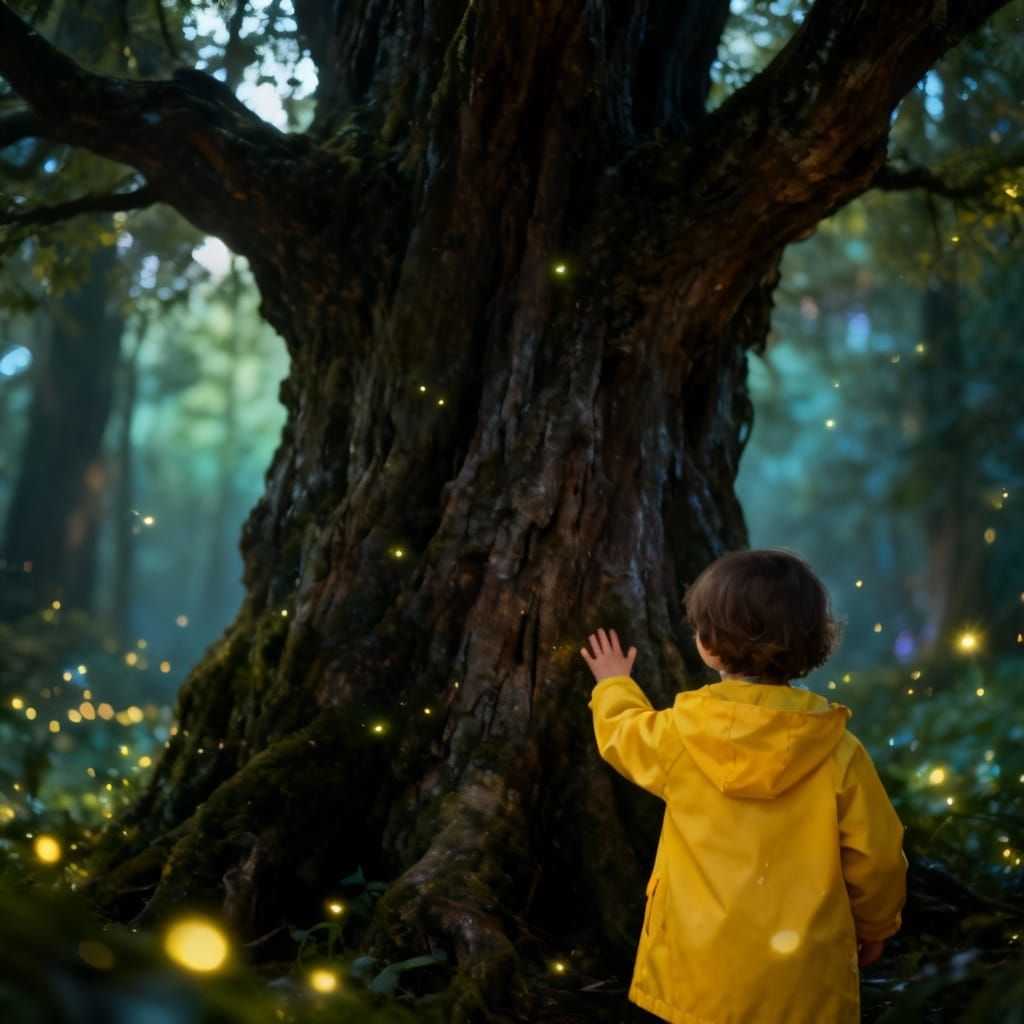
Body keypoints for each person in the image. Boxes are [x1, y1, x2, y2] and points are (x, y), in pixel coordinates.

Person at [579, 547, 907, 1024]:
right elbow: (877, 854)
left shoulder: (680, 735)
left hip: (700, 974)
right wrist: (877, 925)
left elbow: (623, 735)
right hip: (805, 978)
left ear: (707, 644)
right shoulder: (839, 751)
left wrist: (613, 684)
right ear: (812, 641)